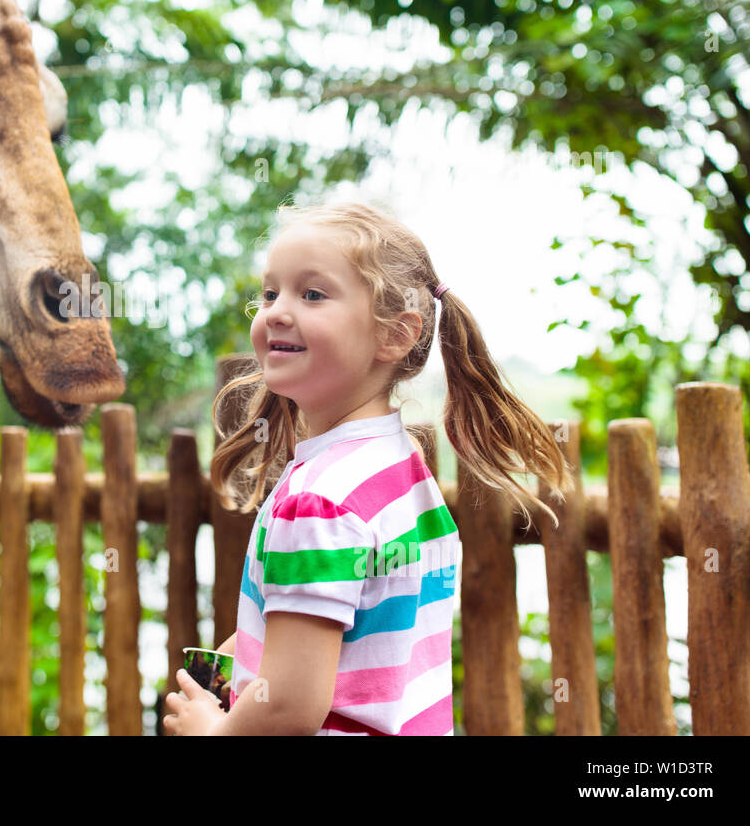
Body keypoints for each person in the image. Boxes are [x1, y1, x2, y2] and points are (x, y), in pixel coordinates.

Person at [163, 200, 575, 735]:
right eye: (270, 293)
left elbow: (288, 710)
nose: (276, 311)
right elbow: (362, 620)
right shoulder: (399, 470)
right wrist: (250, 643)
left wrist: (210, 731)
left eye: (312, 294)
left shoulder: (318, 502)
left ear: (394, 335)